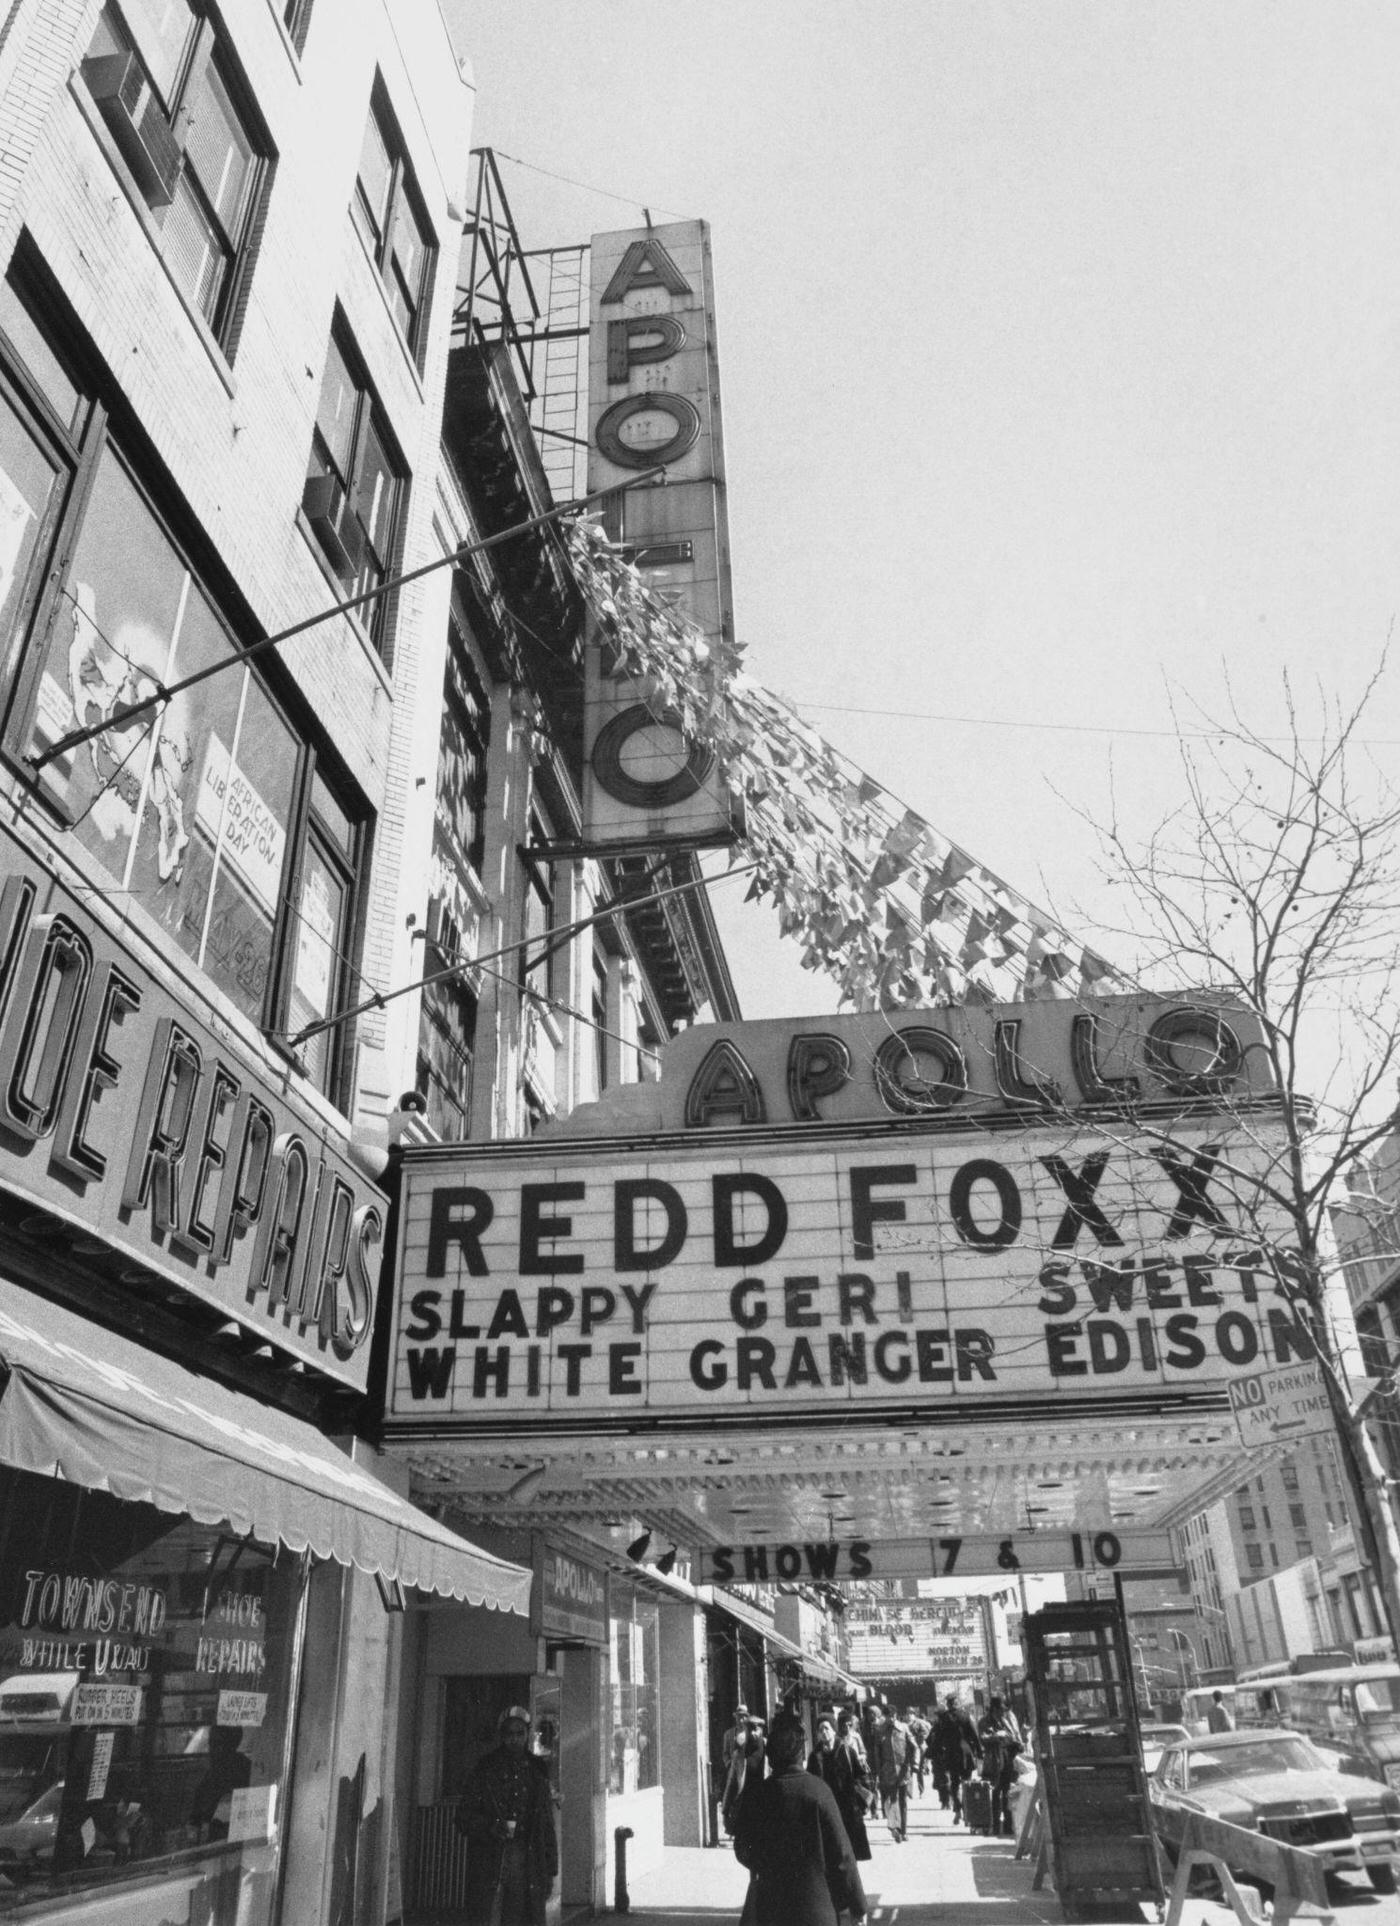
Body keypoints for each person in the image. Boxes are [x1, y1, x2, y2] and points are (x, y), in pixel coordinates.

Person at [735, 1712, 867, 1925]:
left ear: (771, 1756)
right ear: (800, 1753)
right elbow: (842, 1854)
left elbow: (742, 1848)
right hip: (817, 1907)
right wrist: (858, 1906)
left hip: (771, 1909)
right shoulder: (818, 1791)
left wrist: (767, 1865)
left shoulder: (759, 1794)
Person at [457, 1705, 558, 1926]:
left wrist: (550, 1869)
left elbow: (545, 1822)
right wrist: (490, 1826)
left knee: (520, 1915)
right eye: (509, 1734)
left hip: (527, 1858)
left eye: (519, 1733)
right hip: (492, 1857)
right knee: (491, 1914)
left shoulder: (536, 1769)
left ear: (527, 1734)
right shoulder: (485, 1768)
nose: (514, 1739)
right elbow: (464, 1816)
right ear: (502, 1736)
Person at [808, 1713, 871, 1861]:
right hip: (826, 1806)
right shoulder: (814, 1756)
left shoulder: (847, 1750)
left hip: (847, 1806)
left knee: (850, 1849)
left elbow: (861, 1776)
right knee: (831, 1849)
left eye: (827, 1728)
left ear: (834, 1730)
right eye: (820, 1729)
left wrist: (858, 1799)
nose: (824, 1732)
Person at [977, 1695, 1024, 1838]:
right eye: (1000, 1710)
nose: (1002, 1712)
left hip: (1008, 1758)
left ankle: (1009, 1826)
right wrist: (997, 1736)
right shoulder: (984, 1721)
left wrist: (1016, 1741)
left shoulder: (1006, 1719)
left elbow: (1014, 1737)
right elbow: (983, 1739)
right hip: (994, 1760)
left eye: (1004, 1710)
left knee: (1008, 1792)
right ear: (994, 1709)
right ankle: (996, 1826)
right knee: (996, 1793)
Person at [931, 1694, 981, 1820]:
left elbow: (937, 1739)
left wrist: (934, 1753)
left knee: (954, 1783)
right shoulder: (965, 1715)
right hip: (965, 1753)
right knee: (967, 1782)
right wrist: (979, 1752)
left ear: (948, 1704)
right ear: (957, 1702)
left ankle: (958, 1809)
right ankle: (968, 1810)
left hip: (950, 1754)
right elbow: (975, 1735)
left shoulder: (943, 1719)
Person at [869, 1703, 912, 1843]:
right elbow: (876, 1753)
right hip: (887, 1772)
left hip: (903, 1771)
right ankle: (895, 1828)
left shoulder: (904, 1728)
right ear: (885, 1717)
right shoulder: (879, 1731)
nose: (891, 1719)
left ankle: (903, 1830)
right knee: (891, 1801)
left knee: (902, 1802)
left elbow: (914, 1747)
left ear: (896, 1715)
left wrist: (914, 1765)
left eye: (893, 1716)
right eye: (888, 1717)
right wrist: (877, 1771)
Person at [722, 1712, 766, 1836]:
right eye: (750, 1729)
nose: (753, 1733)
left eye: (756, 1729)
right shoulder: (739, 1754)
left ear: (761, 1730)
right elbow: (730, 1784)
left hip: (763, 1802)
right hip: (744, 1804)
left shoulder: (768, 1750)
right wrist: (725, 1810)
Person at [907, 1711, 931, 1797]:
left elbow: (925, 1733)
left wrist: (916, 1738)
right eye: (908, 1714)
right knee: (908, 1770)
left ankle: (921, 1790)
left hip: (919, 1748)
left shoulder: (919, 1723)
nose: (909, 1716)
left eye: (911, 1714)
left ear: (914, 1715)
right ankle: (909, 1792)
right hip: (910, 1749)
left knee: (919, 1770)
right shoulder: (906, 1724)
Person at [723, 1701, 751, 1770]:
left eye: (743, 1717)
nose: (741, 1720)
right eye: (738, 1716)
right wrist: (729, 1763)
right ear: (735, 1717)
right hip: (733, 1769)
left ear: (747, 1718)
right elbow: (725, 1753)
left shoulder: (750, 1733)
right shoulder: (728, 1734)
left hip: (747, 1769)